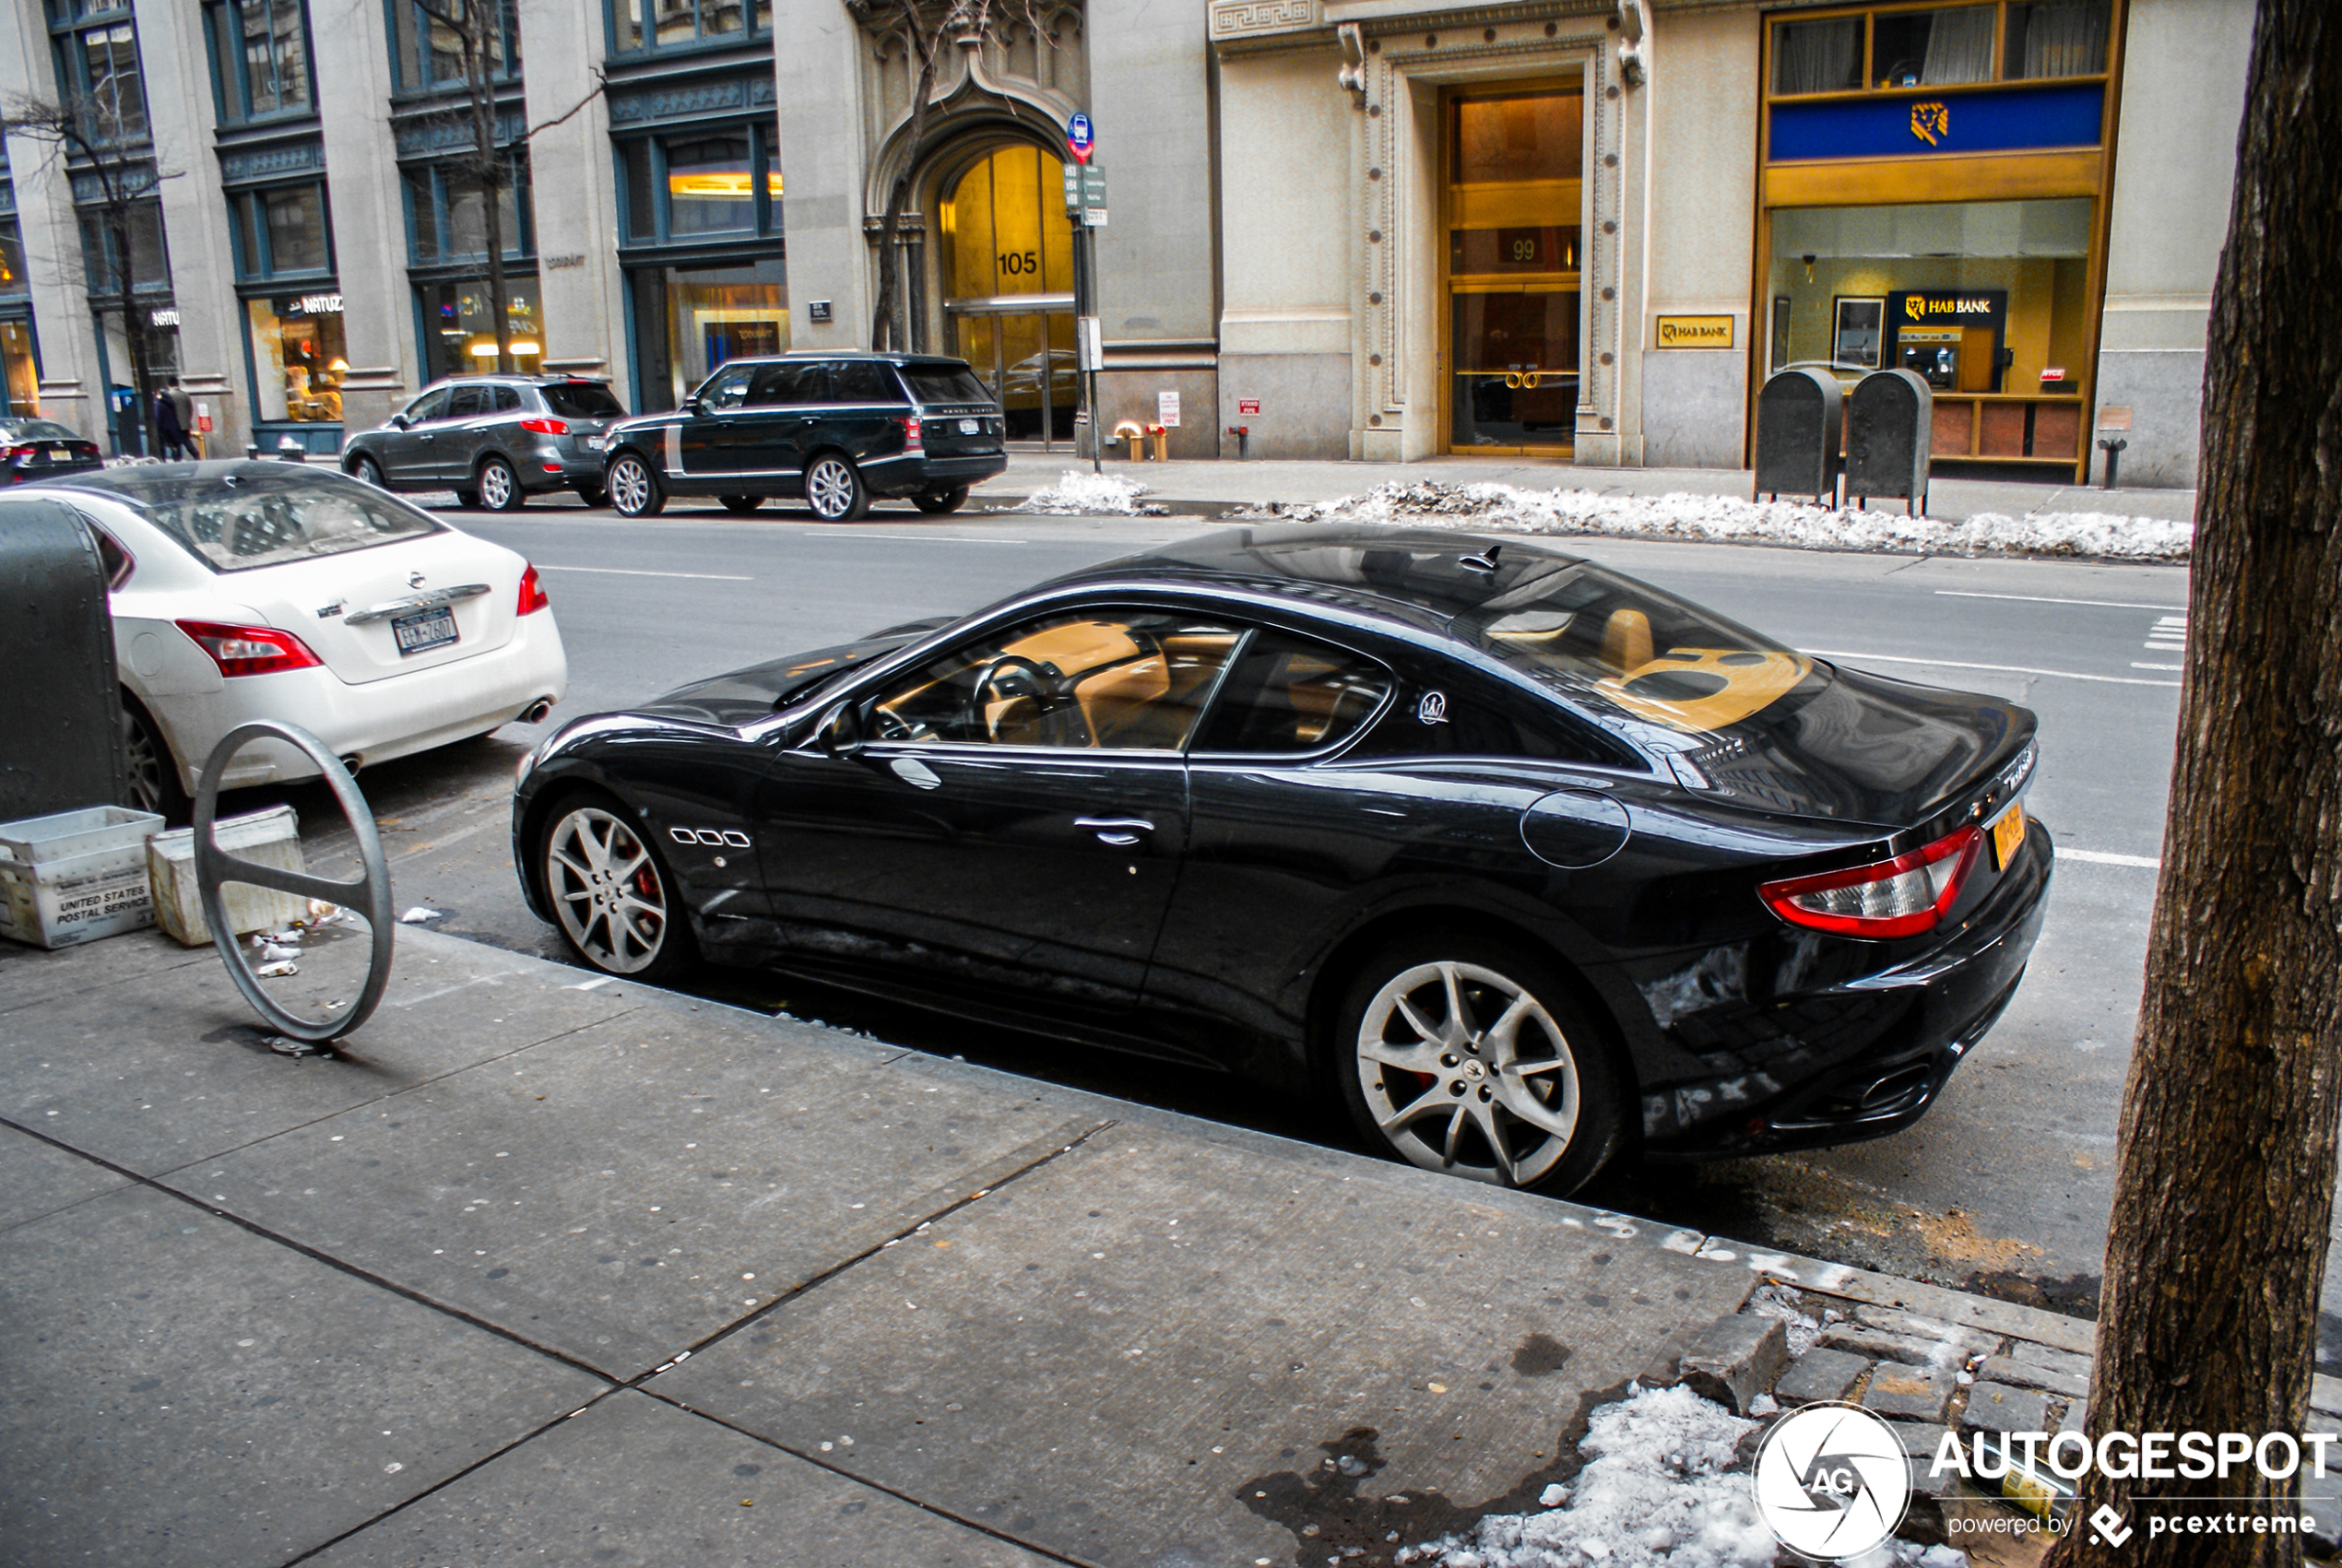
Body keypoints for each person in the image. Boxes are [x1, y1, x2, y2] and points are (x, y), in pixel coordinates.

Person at [154, 382, 190, 460]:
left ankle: (163, 459)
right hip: (174, 427)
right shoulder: (171, 403)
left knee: (162, 445)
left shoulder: (159, 404)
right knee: (176, 444)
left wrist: (158, 427)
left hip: (163, 428)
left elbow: (159, 417)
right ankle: (177, 458)